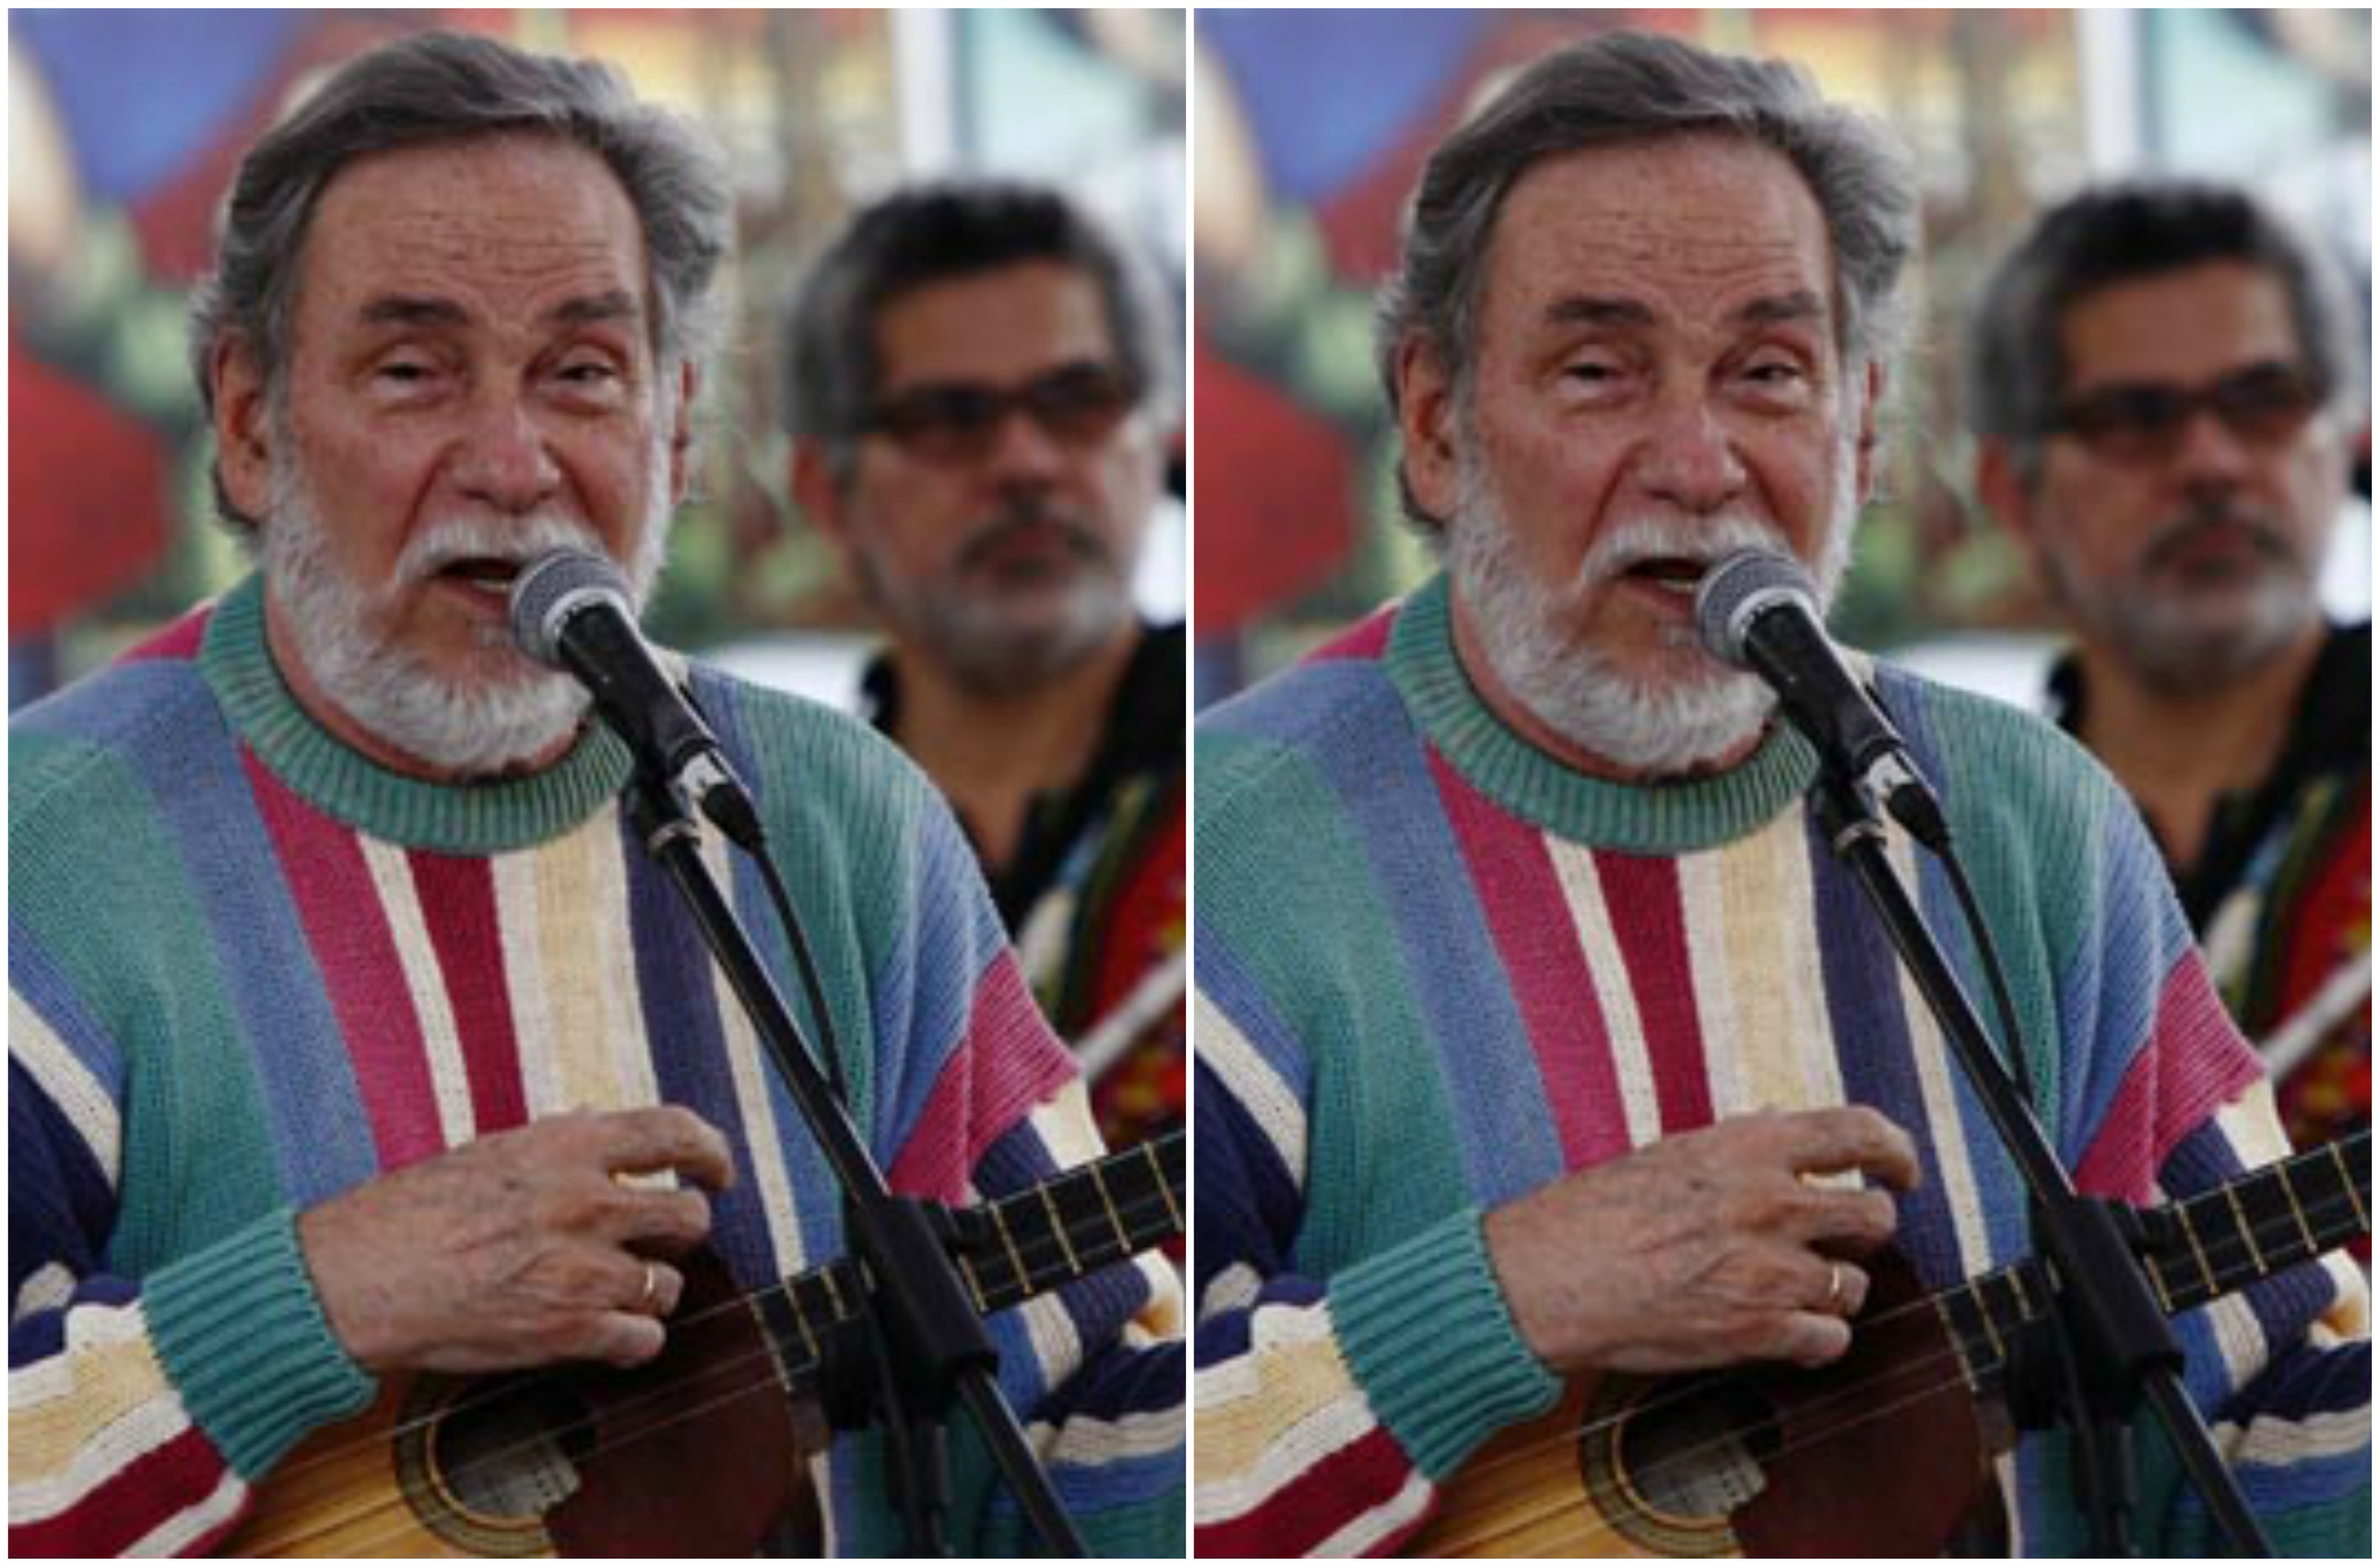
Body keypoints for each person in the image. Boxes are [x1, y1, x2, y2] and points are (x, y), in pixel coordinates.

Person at [1191, 29, 2368, 1557]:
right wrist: (1501, 1302)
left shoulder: (2016, 820)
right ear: (1432, 424)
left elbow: (2264, 1404)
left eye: (1765, 373)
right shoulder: (1239, 846)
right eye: (1599, 371)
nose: (1696, 462)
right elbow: (1076, 1456)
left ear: (1859, 427)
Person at [9, 32, 1182, 1558]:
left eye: (580, 373)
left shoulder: (831, 823)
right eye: (414, 370)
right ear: (249, 423)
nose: (511, 462)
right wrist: (315, 1303)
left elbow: (1083, 1400)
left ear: (676, 427)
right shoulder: (47, 859)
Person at [782, 182, 1185, 1153]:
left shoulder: (1274, 782)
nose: (1025, 463)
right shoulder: (773, 860)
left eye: (1075, 401)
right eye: (949, 419)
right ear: (825, 495)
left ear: (1159, 437)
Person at [1969, 182, 2370, 1156]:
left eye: (2261, 401)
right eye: (2135, 418)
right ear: (2010, 494)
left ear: (2347, 437)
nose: (2211, 463)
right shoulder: (1959, 863)